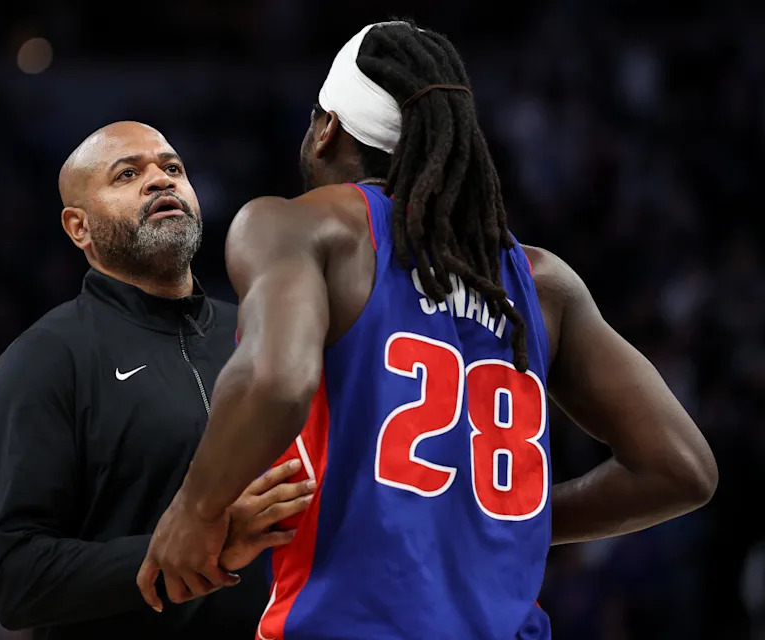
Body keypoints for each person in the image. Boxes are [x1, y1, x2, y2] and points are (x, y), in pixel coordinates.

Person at [137, 22, 719, 640]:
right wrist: (495, 518)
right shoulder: (542, 282)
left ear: (327, 128)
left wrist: (195, 509)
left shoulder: (298, 227)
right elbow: (681, 468)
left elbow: (276, 381)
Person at [0, 121, 313, 639]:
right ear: (79, 227)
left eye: (172, 168)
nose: (160, 180)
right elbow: (17, 580)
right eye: (127, 175)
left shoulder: (260, 335)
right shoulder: (45, 359)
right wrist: (200, 544)